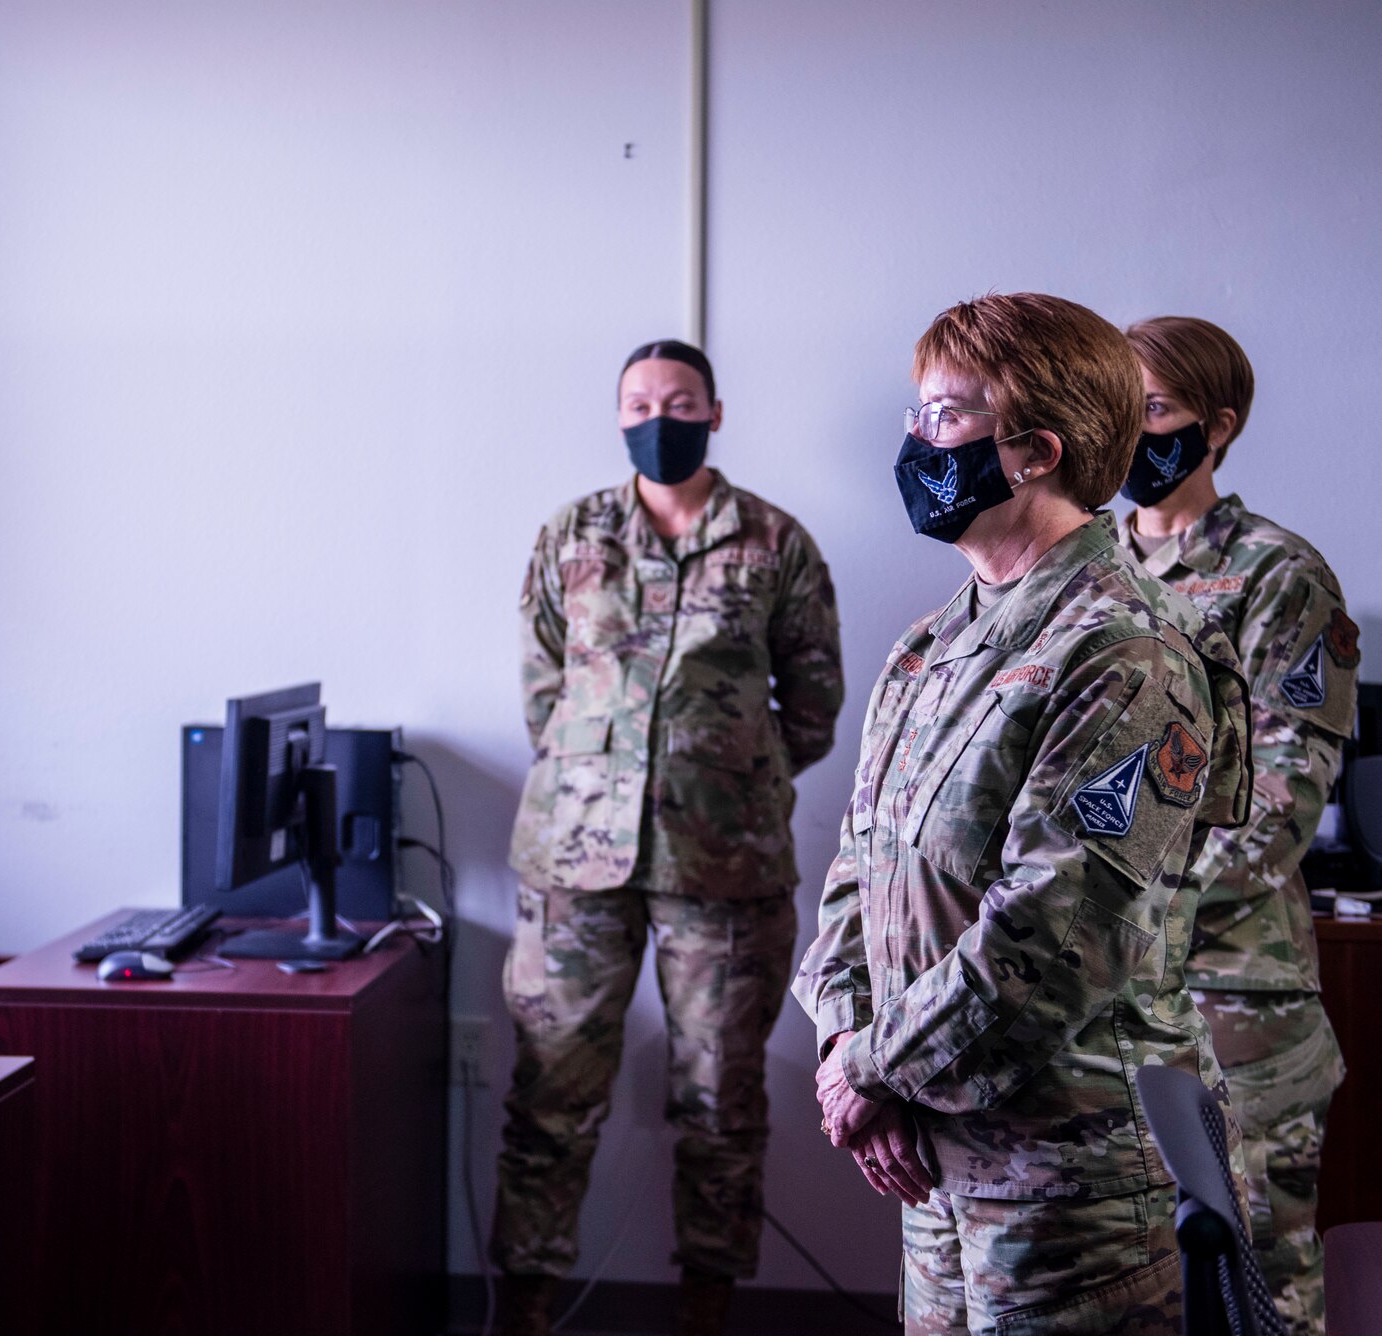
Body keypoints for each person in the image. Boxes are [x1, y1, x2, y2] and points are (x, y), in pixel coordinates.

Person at [794, 294, 1251, 1336]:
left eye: (940, 419)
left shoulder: (1125, 649)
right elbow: (850, 882)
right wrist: (843, 1051)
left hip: (1067, 1196)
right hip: (927, 1157)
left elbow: (1051, 934)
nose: (912, 442)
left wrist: (869, 1069)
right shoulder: (928, 646)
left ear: (1034, 450)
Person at [495, 339, 844, 1336]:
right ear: (617, 416)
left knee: (718, 1106)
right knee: (548, 1102)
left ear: (715, 413)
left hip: (723, 867)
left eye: (679, 399)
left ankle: (704, 1311)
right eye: (639, 401)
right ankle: (518, 1311)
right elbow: (540, 689)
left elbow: (812, 703)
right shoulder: (572, 532)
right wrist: (593, 785)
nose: (659, 415)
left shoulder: (775, 542)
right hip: (574, 863)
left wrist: (726, 777)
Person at [1116, 316, 1353, 1336]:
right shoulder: (1077, 570)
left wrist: (1116, 912)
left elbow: (1282, 799)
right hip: (1096, 1004)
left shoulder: (1275, 575)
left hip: (1229, 991)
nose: (1131, 431)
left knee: (1258, 1277)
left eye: (1154, 410)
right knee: (1114, 1274)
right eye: (1116, 408)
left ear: (1216, 425)